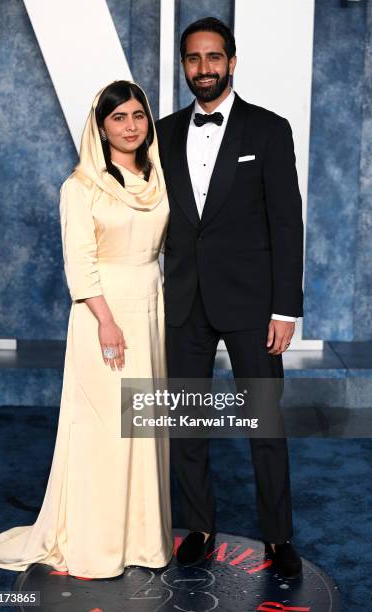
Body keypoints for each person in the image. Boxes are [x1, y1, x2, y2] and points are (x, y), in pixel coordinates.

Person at [0, 81, 173, 579]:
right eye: (118, 118)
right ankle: (96, 542)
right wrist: (107, 322)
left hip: (151, 308)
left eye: (137, 115)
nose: (130, 126)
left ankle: (140, 539)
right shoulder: (80, 186)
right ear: (100, 127)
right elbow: (79, 265)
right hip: (103, 316)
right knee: (105, 427)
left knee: (142, 425)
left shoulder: (158, 177)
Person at [156, 17, 303, 578]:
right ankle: (198, 526)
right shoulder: (164, 132)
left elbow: (287, 223)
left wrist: (285, 308)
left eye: (213, 58)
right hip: (185, 301)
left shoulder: (269, 130)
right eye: (193, 59)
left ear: (232, 62)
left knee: (264, 424)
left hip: (253, 304)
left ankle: (278, 537)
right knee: (185, 424)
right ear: (184, 66)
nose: (204, 69)